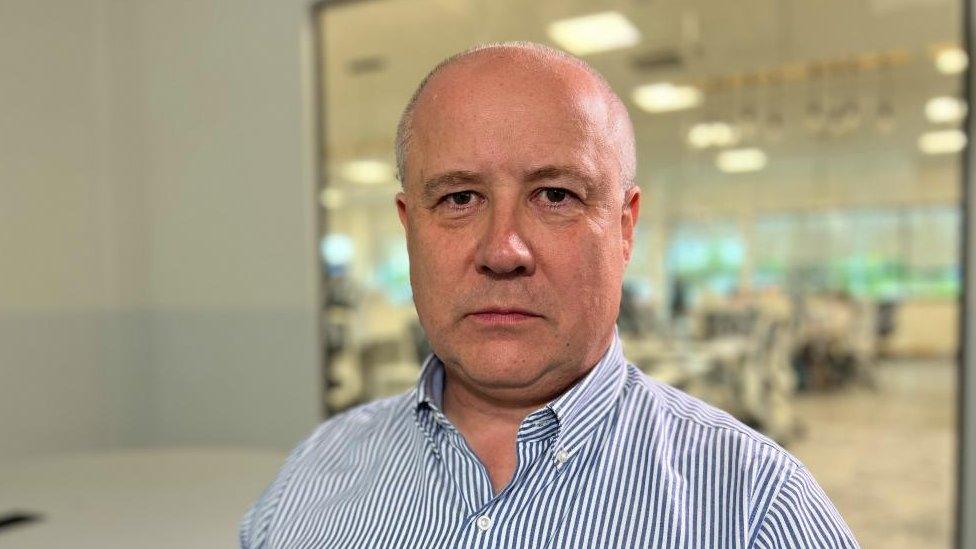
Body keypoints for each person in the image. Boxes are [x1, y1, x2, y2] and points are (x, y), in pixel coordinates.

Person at [240, 42, 858, 548]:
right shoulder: (313, 473)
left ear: (624, 227)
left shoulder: (757, 512)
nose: (503, 250)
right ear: (409, 227)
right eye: (459, 199)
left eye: (555, 196)